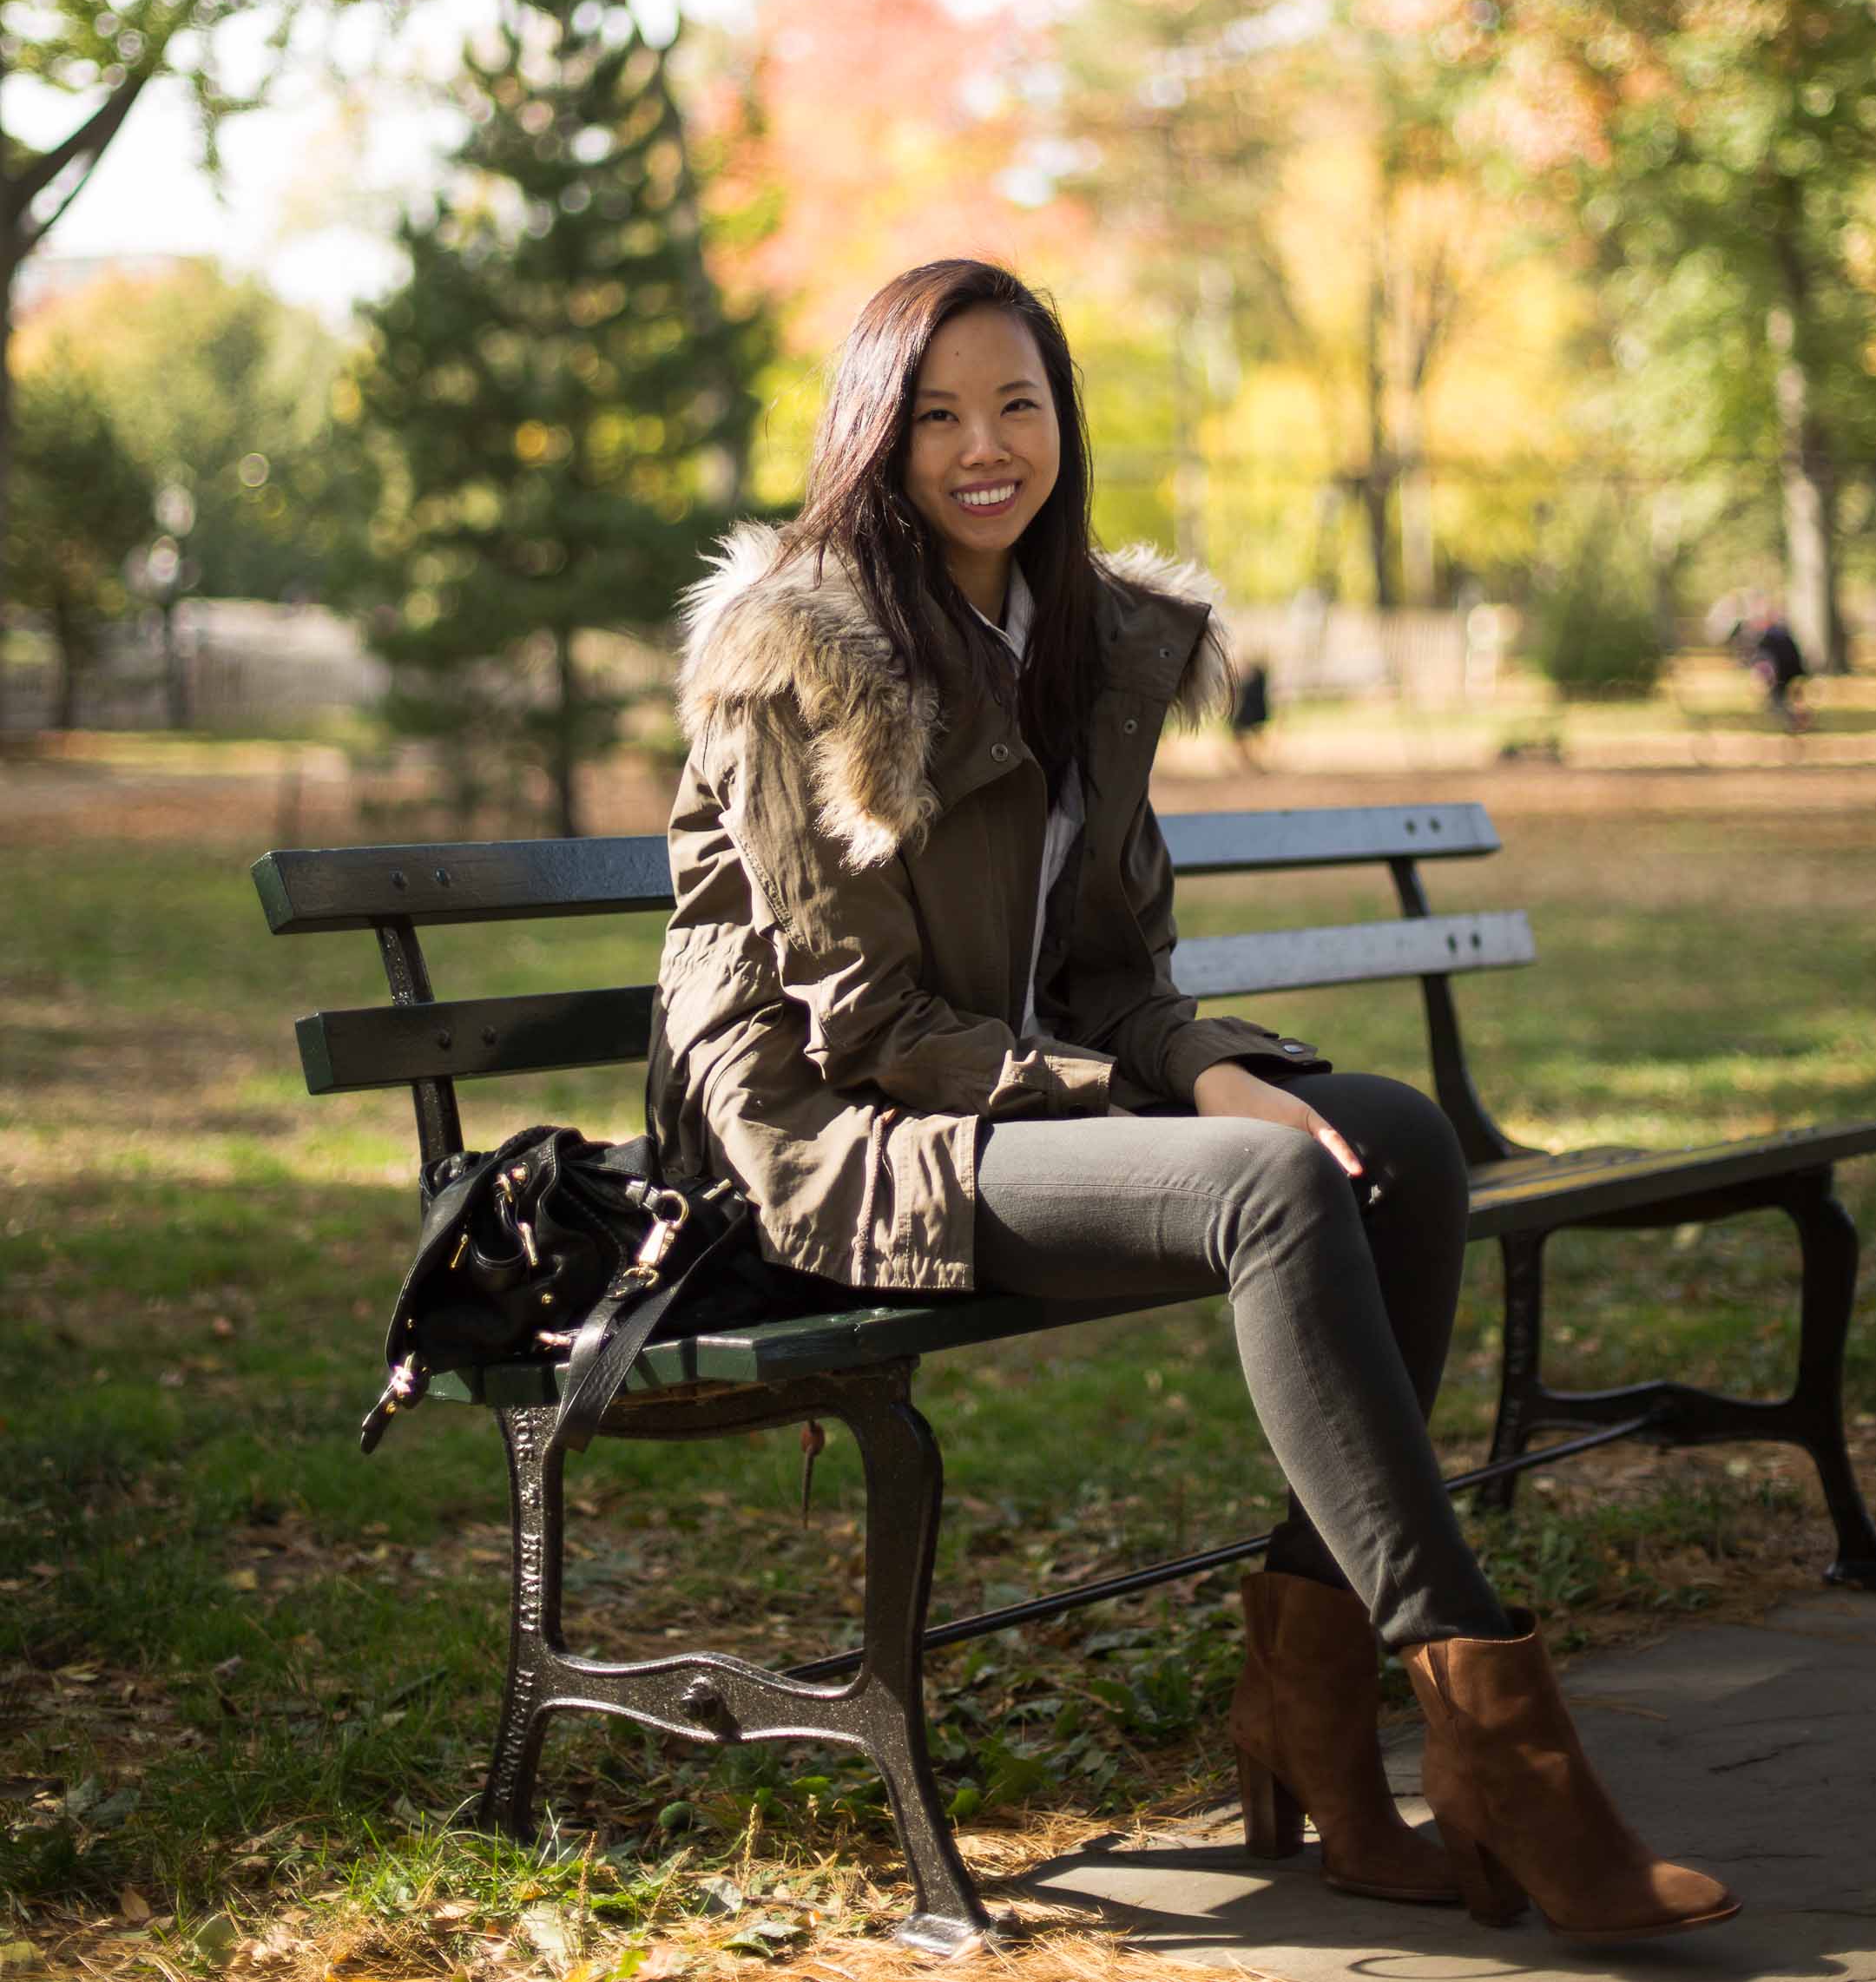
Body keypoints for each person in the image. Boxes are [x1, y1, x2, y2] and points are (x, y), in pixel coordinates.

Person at [650, 259, 1738, 1942]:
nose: (983, 446)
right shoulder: (800, 654)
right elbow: (861, 1026)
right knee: (1264, 1185)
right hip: (839, 1147)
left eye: (1018, 403)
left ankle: (1306, 1713)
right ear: (875, 436)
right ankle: (1509, 1765)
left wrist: (1209, 1068)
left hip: (1010, 1111)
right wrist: (1148, 1110)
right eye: (935, 415)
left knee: (1391, 1144)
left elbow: (1112, 975)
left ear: (1063, 423)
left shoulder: (1086, 642)